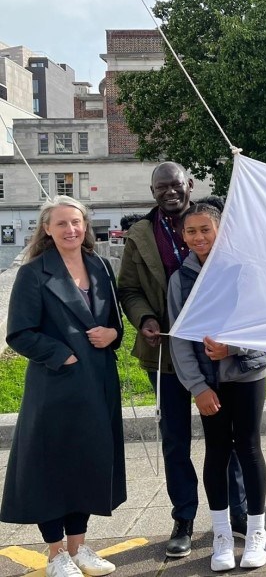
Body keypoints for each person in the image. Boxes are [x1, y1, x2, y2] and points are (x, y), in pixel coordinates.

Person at [117, 162, 252, 557]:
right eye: (160, 188)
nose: (169, 192)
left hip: (215, 353)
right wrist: (144, 317)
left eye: (175, 185)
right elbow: (128, 288)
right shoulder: (140, 234)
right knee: (175, 440)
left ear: (189, 185)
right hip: (163, 354)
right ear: (153, 191)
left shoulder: (216, 227)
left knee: (227, 439)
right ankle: (184, 518)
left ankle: (238, 515)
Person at [1, 196, 125, 577]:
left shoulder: (101, 265)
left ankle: (79, 546)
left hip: (98, 382)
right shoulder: (34, 272)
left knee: (86, 462)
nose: (71, 230)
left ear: (85, 226)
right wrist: (62, 353)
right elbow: (19, 333)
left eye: (76, 222)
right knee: (51, 466)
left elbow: (113, 320)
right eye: (61, 224)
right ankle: (56, 554)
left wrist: (114, 334)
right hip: (56, 384)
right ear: (47, 230)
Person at [167, 203, 266, 570]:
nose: (199, 237)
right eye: (191, 231)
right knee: (216, 451)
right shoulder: (180, 280)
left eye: (206, 230)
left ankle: (257, 531)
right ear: (183, 236)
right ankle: (222, 534)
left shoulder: (244, 269)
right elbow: (179, 338)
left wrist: (233, 347)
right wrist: (197, 386)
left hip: (246, 375)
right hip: (209, 384)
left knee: (249, 447)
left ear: (220, 230)